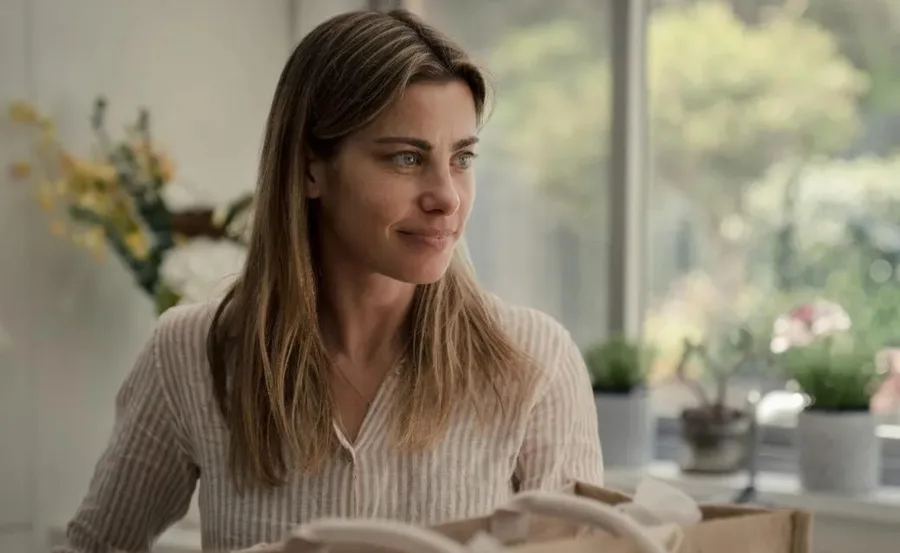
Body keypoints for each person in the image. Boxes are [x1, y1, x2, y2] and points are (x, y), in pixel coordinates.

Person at [59, 9, 602, 553]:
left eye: (462, 158)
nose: (447, 197)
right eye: (407, 158)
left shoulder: (535, 363)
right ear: (309, 169)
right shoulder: (191, 355)